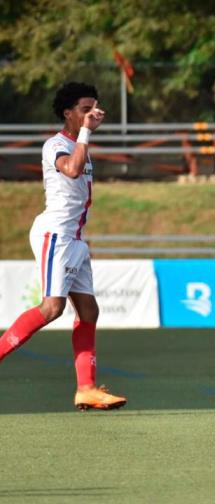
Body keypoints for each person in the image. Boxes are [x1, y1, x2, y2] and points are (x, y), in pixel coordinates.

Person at [0, 82, 127, 411]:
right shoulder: (55, 144)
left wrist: (84, 136)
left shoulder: (81, 145)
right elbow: (70, 170)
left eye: (94, 108)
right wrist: (85, 133)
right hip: (54, 234)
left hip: (74, 238)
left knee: (89, 311)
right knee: (52, 308)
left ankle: (86, 388)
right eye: (85, 109)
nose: (91, 114)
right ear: (68, 113)